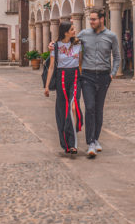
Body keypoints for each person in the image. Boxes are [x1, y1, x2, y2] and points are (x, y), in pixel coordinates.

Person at [54, 9, 120, 159]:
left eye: (94, 19)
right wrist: (54, 44)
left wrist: (113, 73)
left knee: (98, 109)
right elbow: (68, 41)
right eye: (90, 19)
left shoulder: (111, 36)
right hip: (87, 76)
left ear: (102, 19)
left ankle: (95, 139)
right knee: (89, 107)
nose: (91, 22)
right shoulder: (84, 34)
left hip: (104, 76)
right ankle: (90, 142)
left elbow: (117, 56)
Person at [44, 22, 83, 157]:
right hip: (61, 77)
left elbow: (81, 63)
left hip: (75, 76)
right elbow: (51, 67)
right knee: (64, 111)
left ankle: (74, 140)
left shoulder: (78, 44)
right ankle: (69, 143)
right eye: (72, 29)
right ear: (65, 32)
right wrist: (47, 86)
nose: (74, 31)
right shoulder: (55, 46)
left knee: (74, 106)